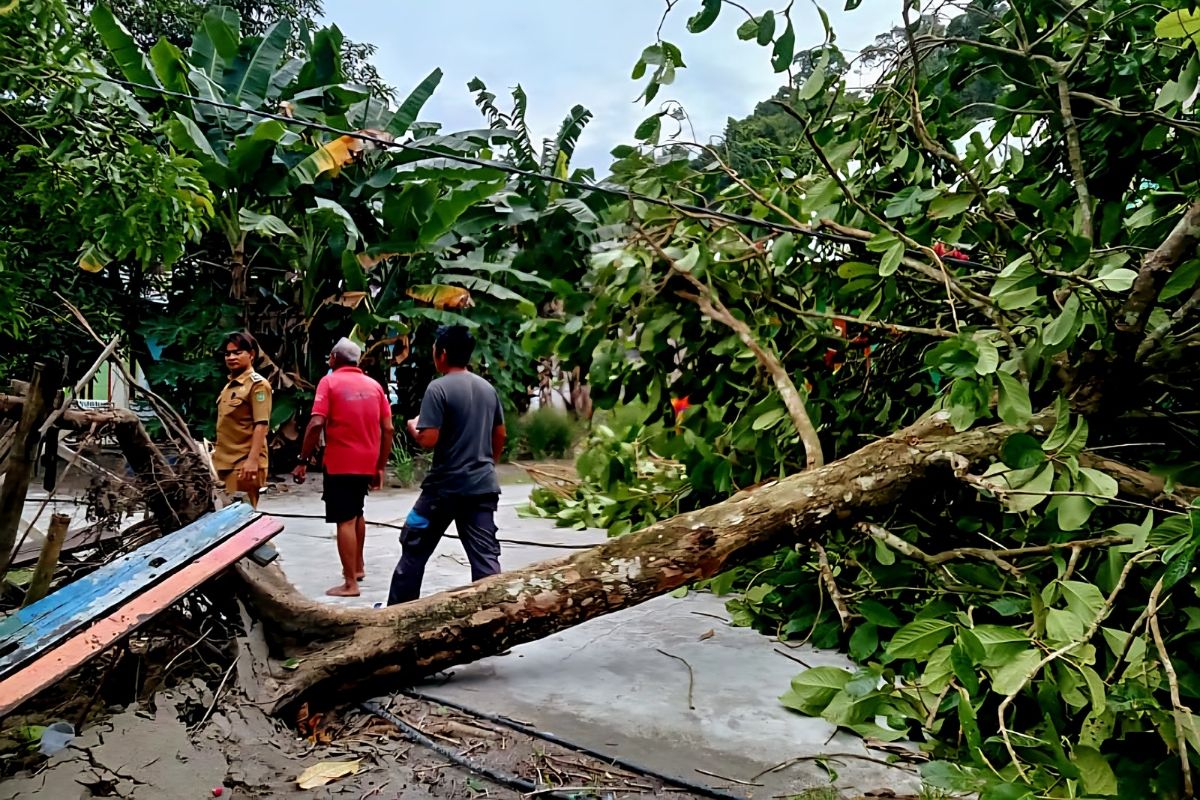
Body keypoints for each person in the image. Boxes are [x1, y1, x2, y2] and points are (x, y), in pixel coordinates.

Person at [388, 325, 507, 605]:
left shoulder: (438, 388)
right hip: (481, 487)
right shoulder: (487, 388)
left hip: (442, 489)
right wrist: (487, 463)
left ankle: (395, 615)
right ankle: (494, 622)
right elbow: (500, 434)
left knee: (414, 546)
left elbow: (429, 439)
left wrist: (412, 426)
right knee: (485, 558)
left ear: (441, 354)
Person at [293, 338, 393, 598]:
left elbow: (316, 424)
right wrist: (380, 466)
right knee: (357, 512)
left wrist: (303, 461)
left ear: (335, 358)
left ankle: (350, 584)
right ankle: (357, 567)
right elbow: (388, 428)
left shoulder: (330, 382)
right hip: (367, 461)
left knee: (344, 520)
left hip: (341, 462)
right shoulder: (375, 386)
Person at [213, 331, 272, 508]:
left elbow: (261, 424)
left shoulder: (257, 385)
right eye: (227, 353)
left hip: (243, 465)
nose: (231, 357)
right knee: (224, 521)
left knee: (240, 521)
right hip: (224, 463)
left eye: (237, 353)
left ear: (251, 355)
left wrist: (252, 461)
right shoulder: (230, 386)